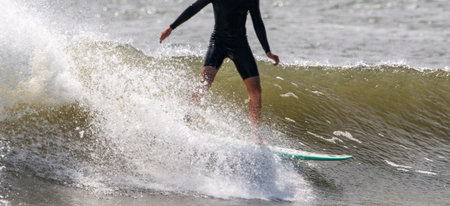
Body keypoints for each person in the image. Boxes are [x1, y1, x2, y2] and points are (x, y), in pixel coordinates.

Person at [160, 0, 279, 143]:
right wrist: (171, 27)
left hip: (240, 44)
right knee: (205, 82)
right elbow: (194, 8)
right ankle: (186, 121)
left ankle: (256, 135)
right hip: (218, 43)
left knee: (256, 91)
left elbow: (257, 21)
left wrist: (267, 51)